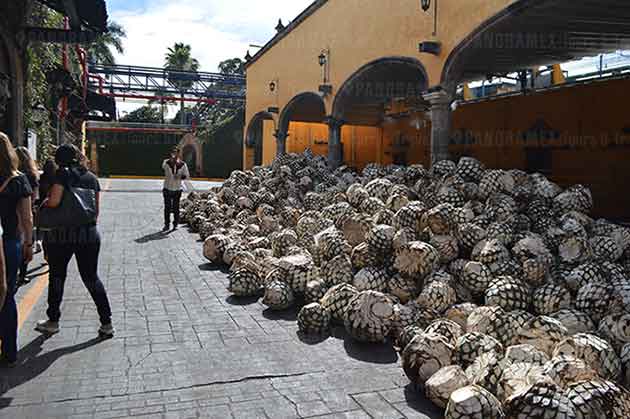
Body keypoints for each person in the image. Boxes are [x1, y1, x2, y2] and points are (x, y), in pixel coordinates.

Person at [35, 144, 113, 338]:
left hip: (62, 234)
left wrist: (44, 203)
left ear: (59, 159)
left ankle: (53, 321)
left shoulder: (63, 174)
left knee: (57, 276)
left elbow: (54, 201)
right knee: (91, 278)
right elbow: (96, 211)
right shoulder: (92, 178)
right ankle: (106, 322)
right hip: (89, 233)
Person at [0, 132, 34, 367]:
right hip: (10, 242)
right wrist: (29, 243)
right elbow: (27, 217)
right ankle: (10, 350)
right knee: (8, 293)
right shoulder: (18, 180)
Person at [15, 147, 39, 285]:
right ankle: (22, 275)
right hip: (26, 212)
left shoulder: (9, 174)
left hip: (11, 216)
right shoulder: (31, 175)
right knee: (26, 243)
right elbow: (35, 197)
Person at [162, 147, 190, 231]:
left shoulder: (183, 164)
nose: (174, 154)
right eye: (173, 152)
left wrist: (180, 176)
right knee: (167, 207)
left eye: (176, 153)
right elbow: (163, 167)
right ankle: (167, 224)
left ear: (179, 154)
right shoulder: (166, 162)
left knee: (176, 207)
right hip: (167, 188)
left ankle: (175, 223)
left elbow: (186, 175)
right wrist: (172, 161)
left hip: (177, 189)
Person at [38, 160, 57, 261]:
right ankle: (52, 255)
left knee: (45, 234)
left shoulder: (41, 178)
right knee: (53, 235)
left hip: (43, 208)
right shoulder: (56, 179)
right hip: (53, 209)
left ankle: (46, 255)